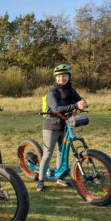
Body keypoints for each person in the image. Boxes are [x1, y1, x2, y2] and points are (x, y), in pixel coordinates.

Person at [37, 64, 87, 192]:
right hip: (51, 126)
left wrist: (83, 103)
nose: (62, 79)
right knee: (48, 153)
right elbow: (56, 109)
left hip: (65, 126)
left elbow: (79, 100)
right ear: (55, 78)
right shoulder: (52, 92)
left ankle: (60, 178)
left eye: (64, 76)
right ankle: (41, 180)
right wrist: (75, 105)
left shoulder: (71, 90)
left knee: (62, 152)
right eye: (59, 76)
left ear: (68, 77)